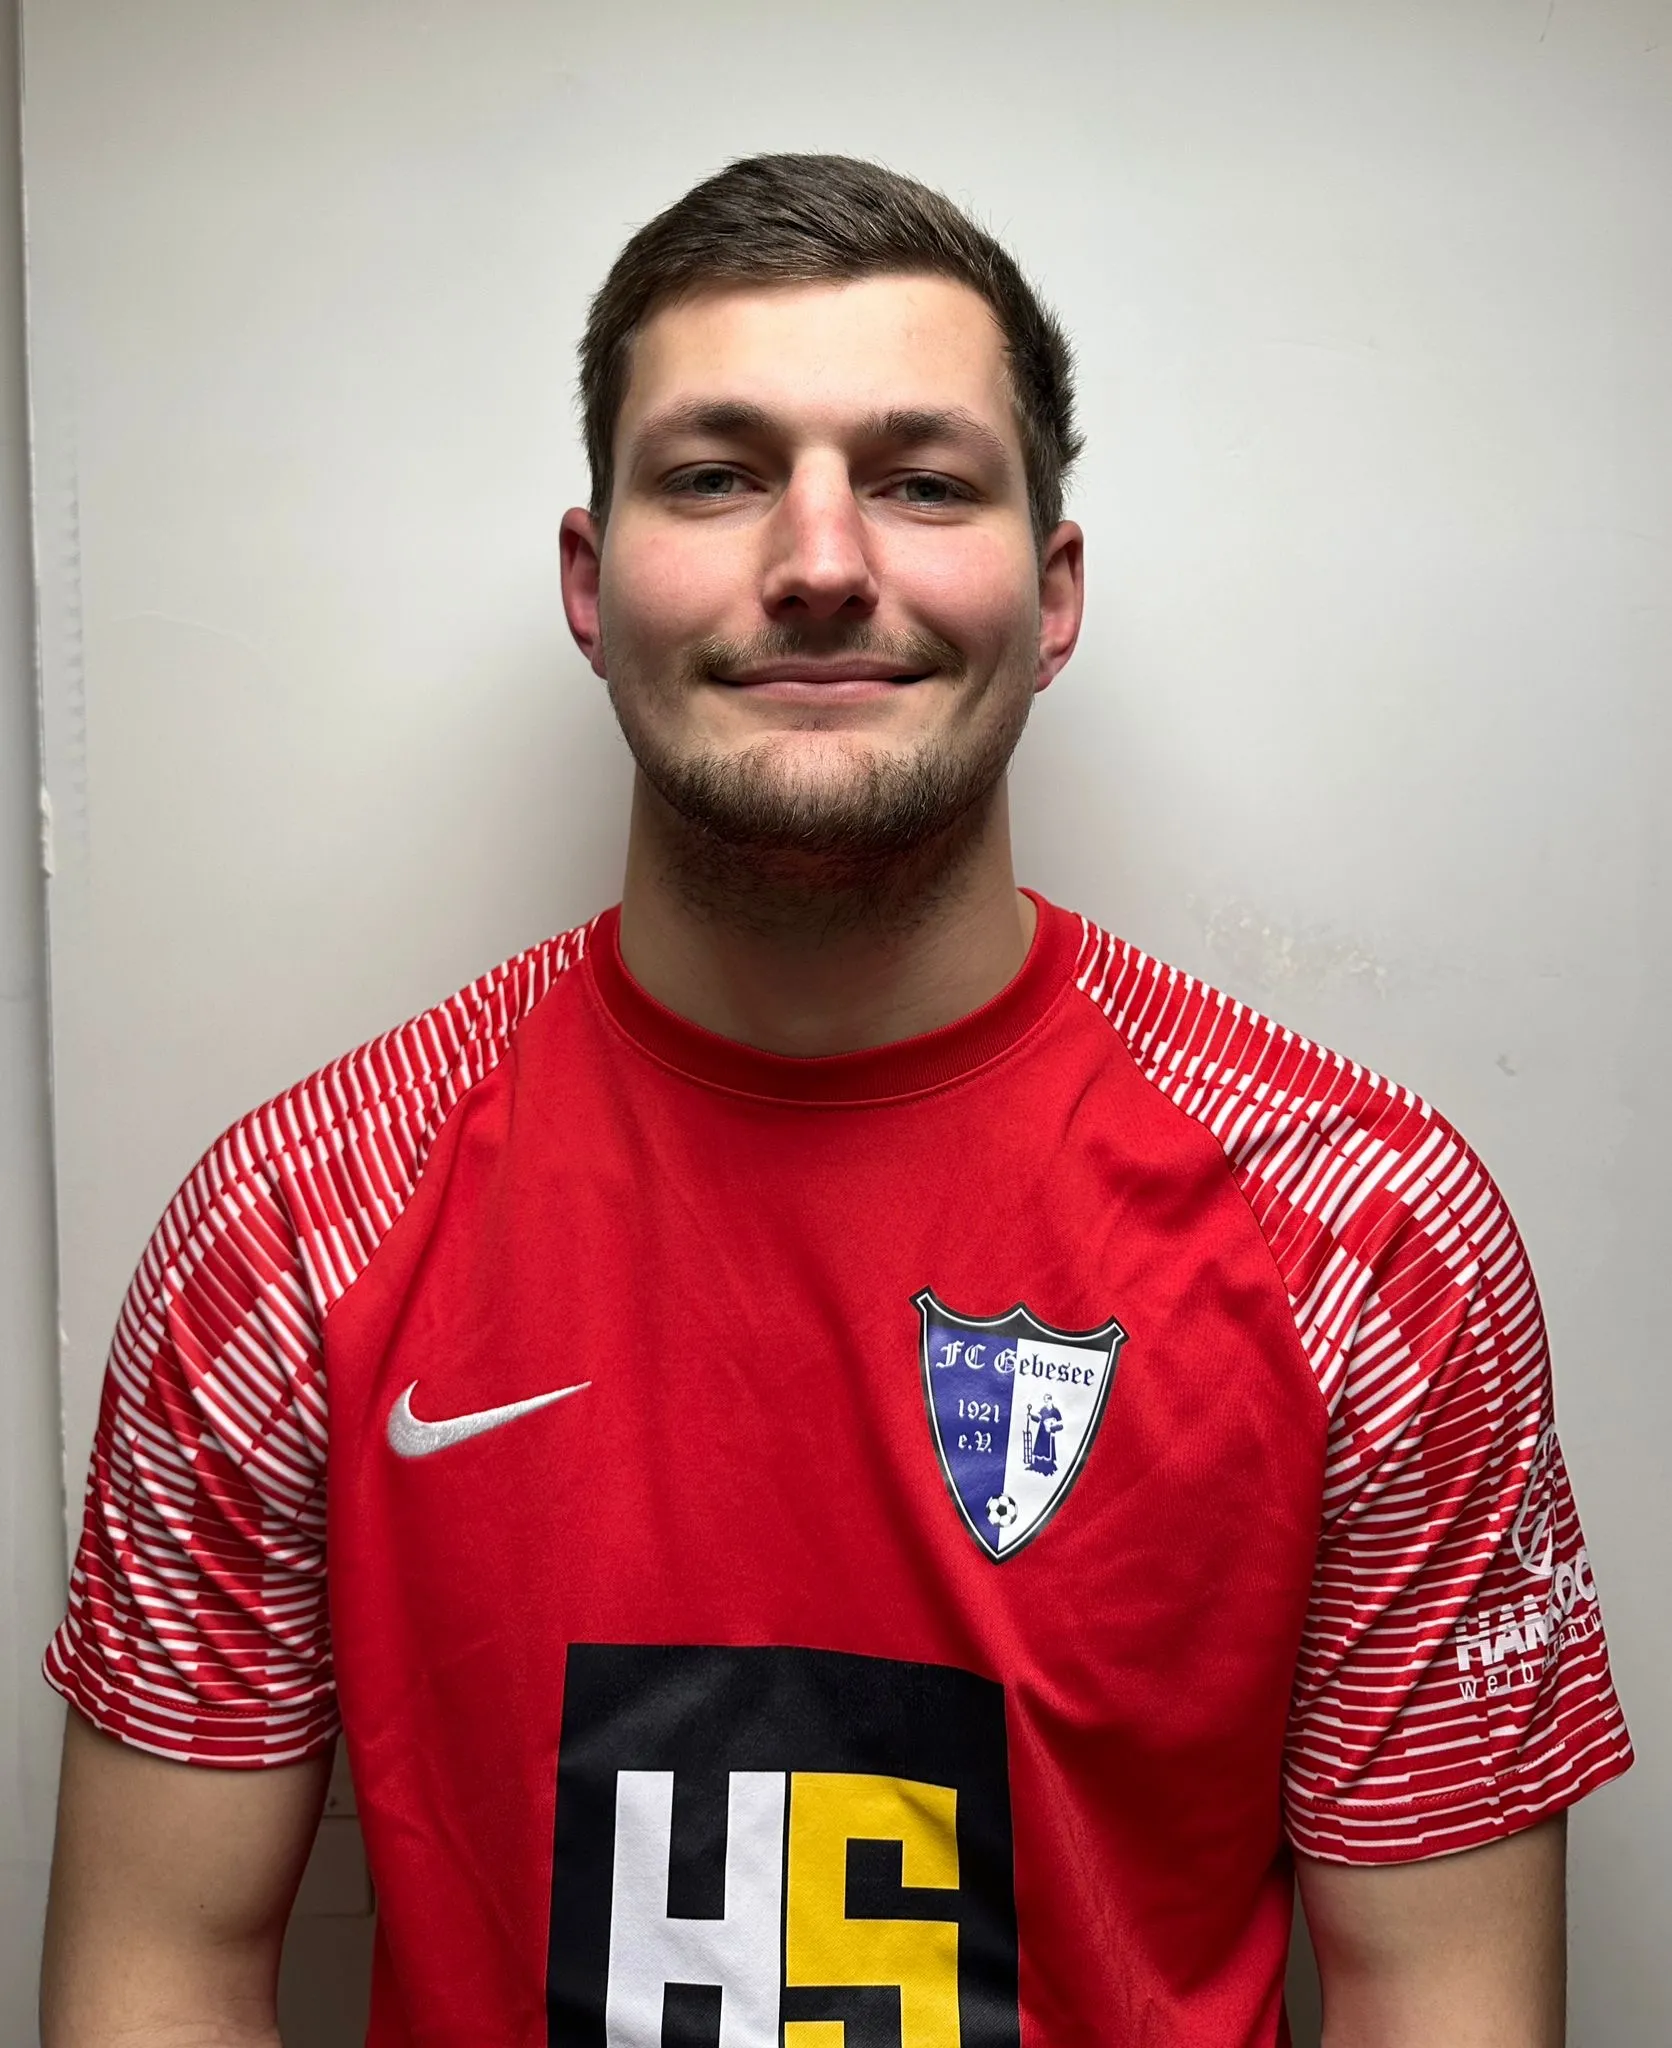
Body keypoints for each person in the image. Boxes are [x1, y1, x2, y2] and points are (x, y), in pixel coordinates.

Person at [40, 153, 1630, 2048]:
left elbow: (1444, 2000)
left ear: (1052, 595)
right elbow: (159, 1968)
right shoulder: (291, 1236)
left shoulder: (1371, 1245)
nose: (817, 561)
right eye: (717, 475)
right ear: (589, 583)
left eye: (921, 481)